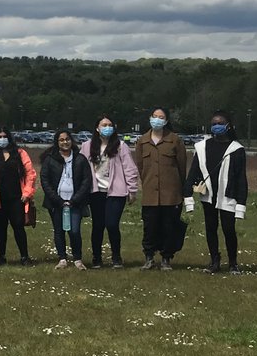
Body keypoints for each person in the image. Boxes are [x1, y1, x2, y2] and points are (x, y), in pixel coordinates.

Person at [185, 110, 248, 275]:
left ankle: (233, 263)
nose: (216, 126)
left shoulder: (237, 149)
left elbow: (241, 178)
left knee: (228, 229)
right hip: (208, 194)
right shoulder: (202, 147)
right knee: (211, 227)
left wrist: (241, 203)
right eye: (214, 124)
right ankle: (214, 260)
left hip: (228, 195)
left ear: (228, 126)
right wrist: (187, 195)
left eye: (220, 123)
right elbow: (193, 172)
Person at [79, 116, 139, 269]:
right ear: (97, 128)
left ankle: (116, 257)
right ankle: (97, 258)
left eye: (110, 125)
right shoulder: (87, 146)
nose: (107, 127)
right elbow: (80, 168)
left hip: (116, 192)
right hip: (95, 191)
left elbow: (130, 169)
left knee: (112, 224)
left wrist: (132, 189)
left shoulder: (120, 146)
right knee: (98, 225)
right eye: (104, 125)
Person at [133, 107, 189, 271]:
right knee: (150, 227)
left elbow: (181, 166)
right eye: (155, 116)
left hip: (170, 195)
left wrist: (180, 189)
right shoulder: (142, 141)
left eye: (161, 117)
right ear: (150, 118)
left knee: (168, 227)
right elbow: (141, 167)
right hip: (150, 194)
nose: (157, 119)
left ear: (166, 121)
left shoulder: (175, 140)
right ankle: (149, 257)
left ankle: (166, 258)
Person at [40, 129, 94, 270]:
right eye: (61, 140)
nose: (65, 142)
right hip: (56, 203)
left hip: (75, 203)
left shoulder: (80, 159)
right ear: (57, 142)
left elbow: (86, 181)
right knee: (59, 231)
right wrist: (57, 200)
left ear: (72, 140)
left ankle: (77, 259)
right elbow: (45, 181)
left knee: (74, 230)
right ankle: (62, 258)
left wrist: (74, 200)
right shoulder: (50, 159)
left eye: (67, 139)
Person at [0, 127, 36, 266]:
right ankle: (1, 257)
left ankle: (24, 256)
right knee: (0, 228)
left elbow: (30, 173)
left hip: (17, 198)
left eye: (4, 136)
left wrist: (27, 192)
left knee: (18, 226)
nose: (2, 139)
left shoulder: (20, 153)